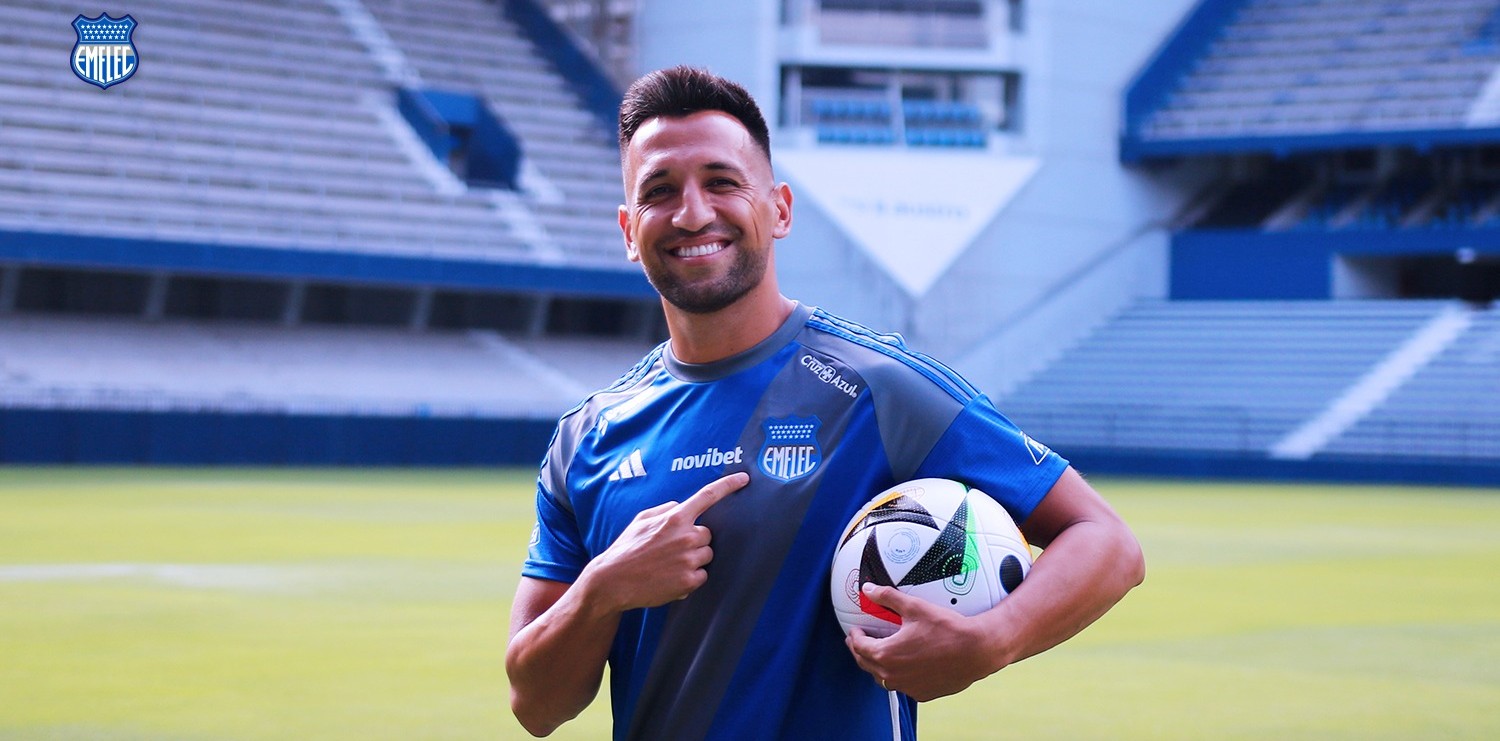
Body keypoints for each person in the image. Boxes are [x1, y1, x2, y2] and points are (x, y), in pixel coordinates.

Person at [505, 65, 1145, 740]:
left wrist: (994, 638)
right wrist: (603, 588)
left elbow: (1107, 542)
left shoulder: (881, 388)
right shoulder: (587, 437)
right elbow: (536, 705)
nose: (693, 213)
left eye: (721, 182)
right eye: (659, 191)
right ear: (628, 230)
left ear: (779, 209)